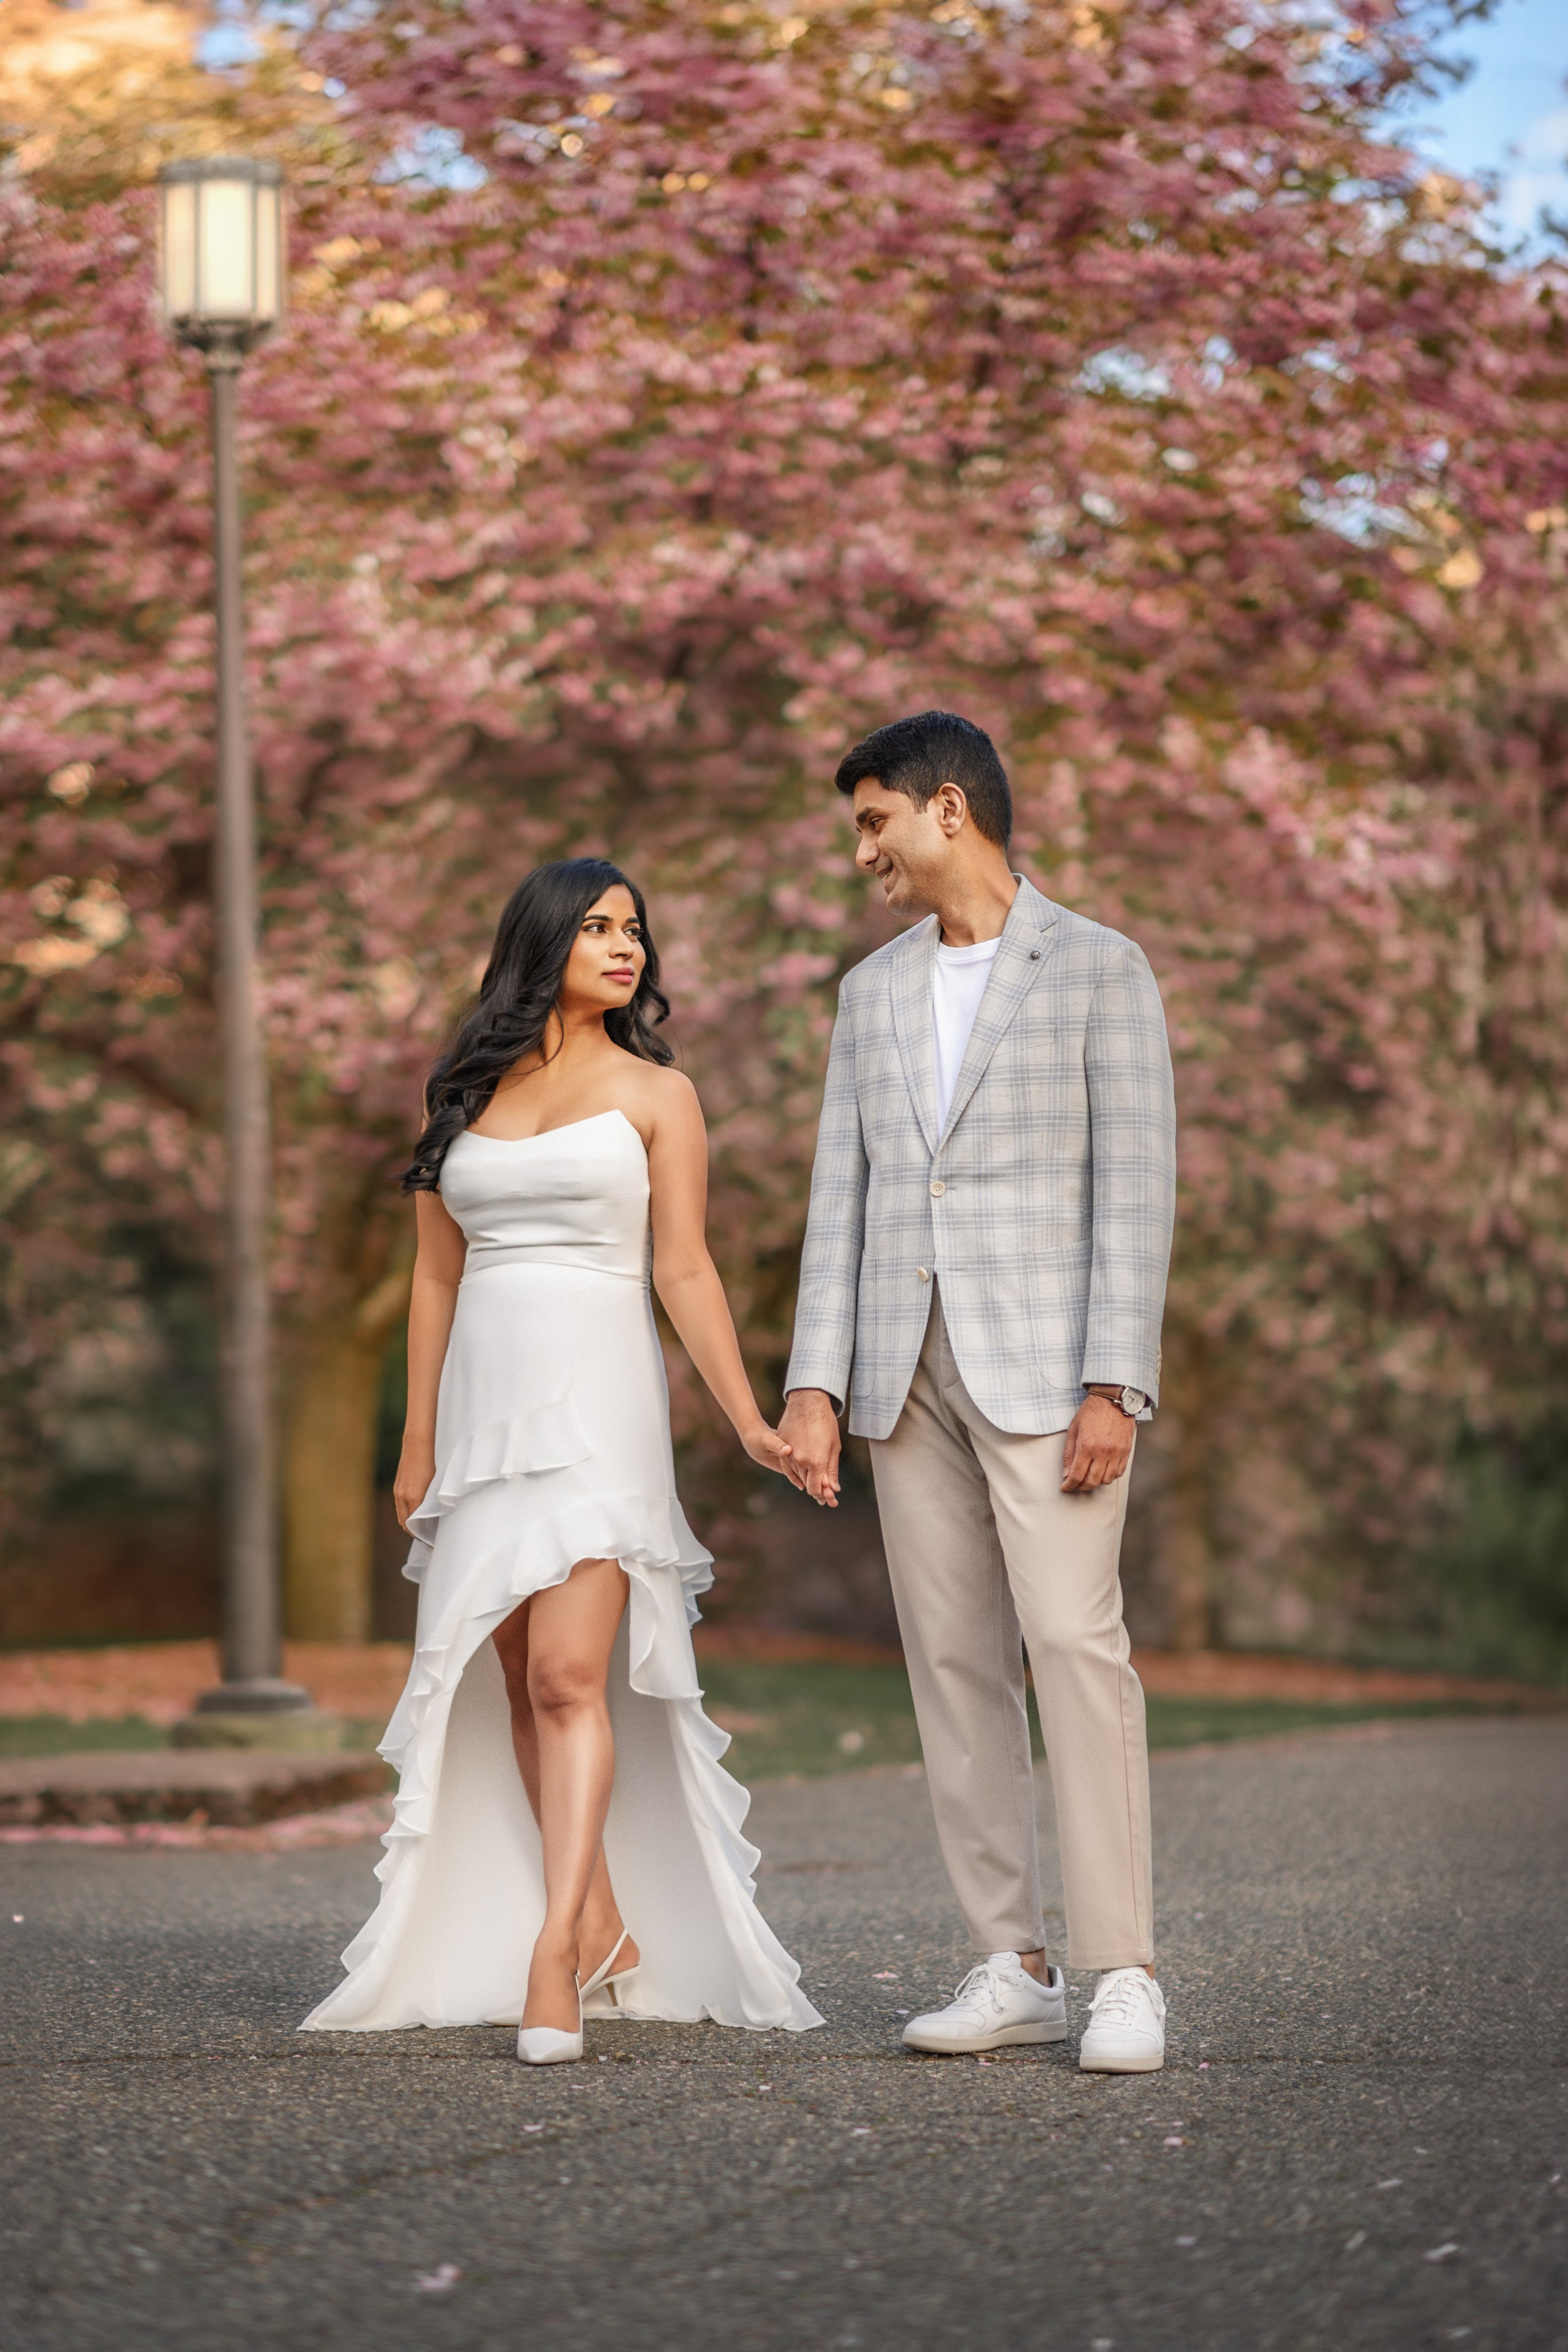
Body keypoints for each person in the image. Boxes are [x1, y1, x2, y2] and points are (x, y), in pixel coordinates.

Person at [303, 858, 822, 2059]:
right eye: (597, 928)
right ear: (542, 941)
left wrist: (747, 1418)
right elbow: (436, 1277)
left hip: (599, 1399)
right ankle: (602, 1927)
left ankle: (551, 1950)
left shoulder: (659, 1094)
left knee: (566, 1678)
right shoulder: (462, 1092)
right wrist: (416, 1441)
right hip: (481, 1414)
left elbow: (681, 1268)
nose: (625, 947)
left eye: (634, 930)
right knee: (509, 1680)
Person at [778, 712, 1176, 2073]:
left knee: (1072, 1645)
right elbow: (843, 1198)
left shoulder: (1099, 969)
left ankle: (1121, 1967)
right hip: (903, 1370)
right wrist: (814, 1384)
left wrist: (1115, 1382)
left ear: (948, 810)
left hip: (1049, 1369)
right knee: (951, 1668)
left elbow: (1133, 1190)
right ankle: (1010, 1962)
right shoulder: (868, 993)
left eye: (872, 821)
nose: (862, 852)